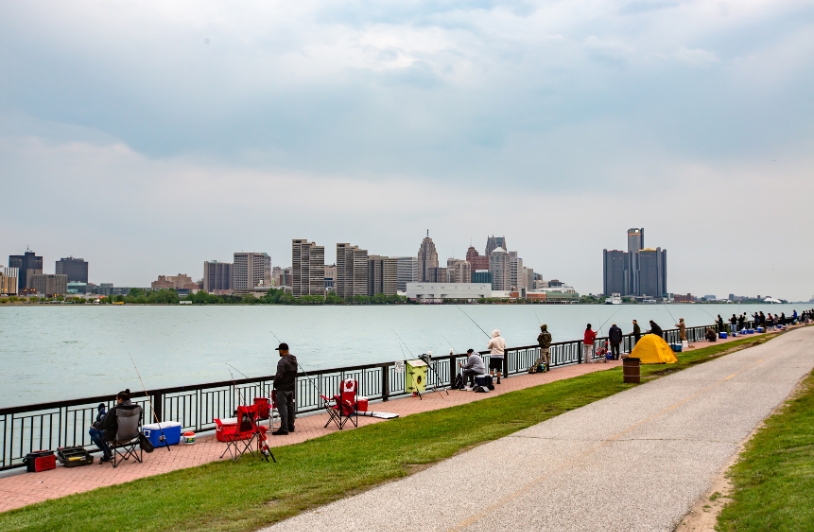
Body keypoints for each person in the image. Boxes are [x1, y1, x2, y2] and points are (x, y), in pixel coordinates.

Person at [88, 389, 139, 463]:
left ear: (120, 399)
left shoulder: (115, 410)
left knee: (92, 431)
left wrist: (95, 424)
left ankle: (107, 452)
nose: (117, 401)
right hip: (132, 435)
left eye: (117, 400)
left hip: (115, 437)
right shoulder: (137, 408)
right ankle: (102, 415)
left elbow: (102, 426)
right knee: (107, 420)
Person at [272, 342, 298, 435]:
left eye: (279, 350)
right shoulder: (294, 360)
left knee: (283, 408)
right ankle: (291, 425)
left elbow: (279, 375)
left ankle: (284, 428)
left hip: (282, 388)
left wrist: (275, 383)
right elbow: (295, 373)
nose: (279, 352)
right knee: (290, 407)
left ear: (282, 351)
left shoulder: (282, 361)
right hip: (291, 387)